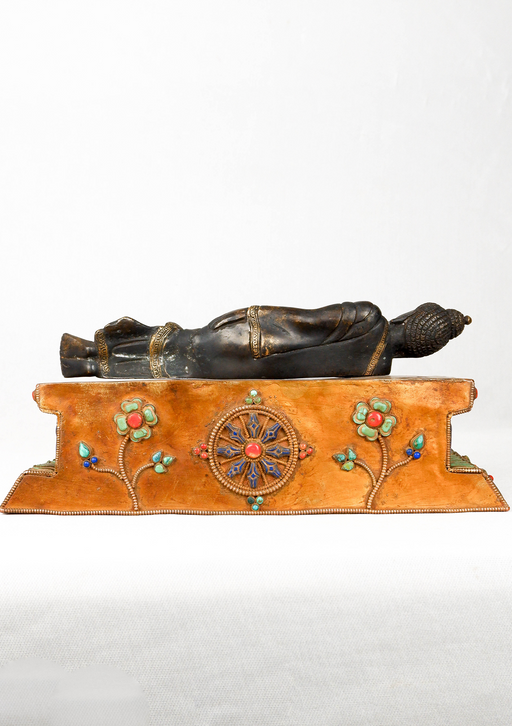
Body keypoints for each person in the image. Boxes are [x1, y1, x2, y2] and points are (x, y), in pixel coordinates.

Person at [60, 301, 471, 379]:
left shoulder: (368, 316)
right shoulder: (376, 368)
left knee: (184, 343)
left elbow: (302, 321)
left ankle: (93, 351)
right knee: (182, 367)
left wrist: (249, 314)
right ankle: (91, 365)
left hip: (256, 341)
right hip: (264, 371)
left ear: (407, 318)